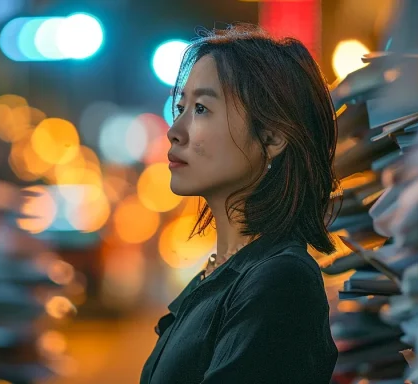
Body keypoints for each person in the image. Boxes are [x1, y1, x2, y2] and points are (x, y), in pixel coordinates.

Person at [140, 24, 339, 384]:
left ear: (272, 137)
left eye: (201, 109)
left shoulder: (281, 282)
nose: (174, 131)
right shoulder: (219, 273)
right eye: (180, 107)